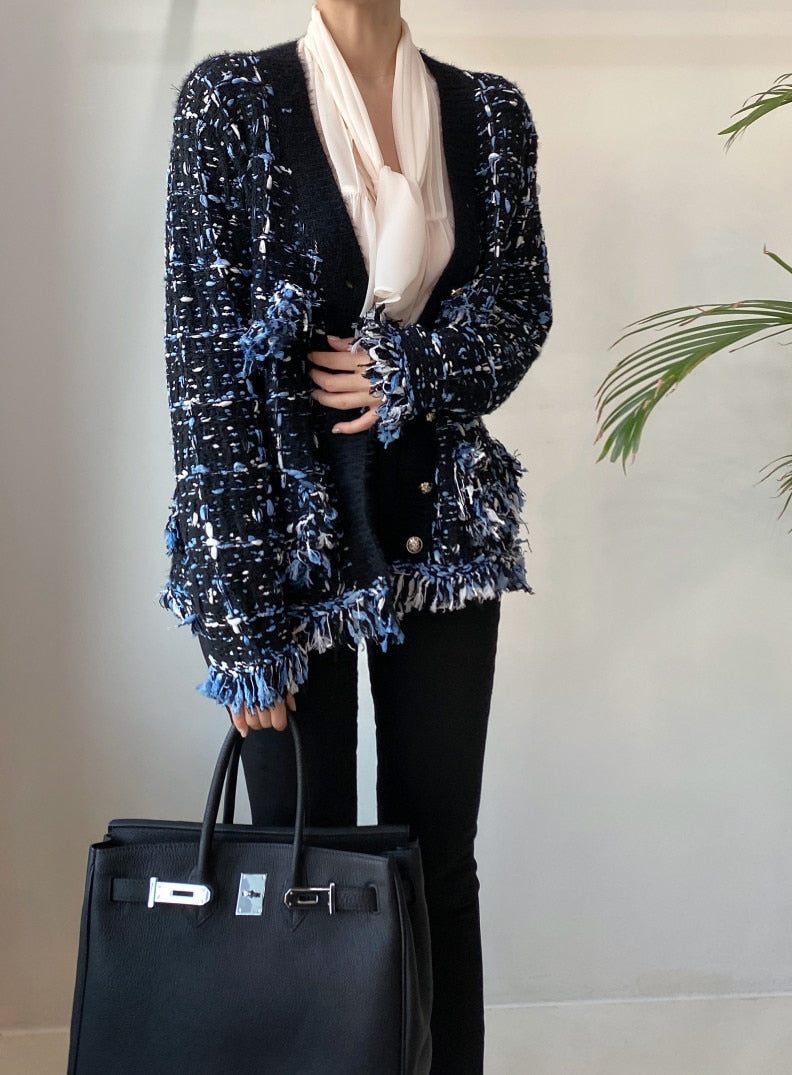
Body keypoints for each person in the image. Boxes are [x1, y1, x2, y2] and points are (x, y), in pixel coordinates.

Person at [161, 1, 551, 1069]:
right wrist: (238, 625)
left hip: (444, 541)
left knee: (437, 860)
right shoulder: (230, 102)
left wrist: (408, 368)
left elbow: (520, 310)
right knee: (303, 865)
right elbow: (204, 371)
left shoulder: (489, 112)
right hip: (284, 550)